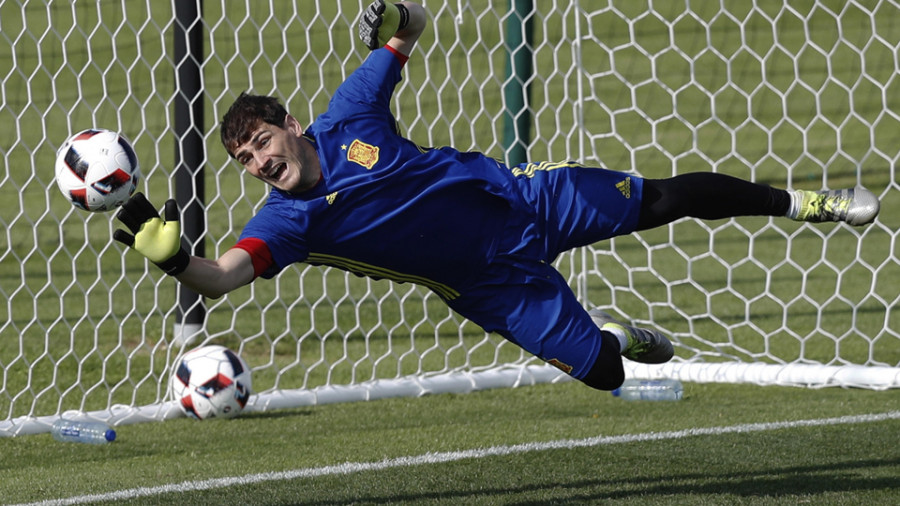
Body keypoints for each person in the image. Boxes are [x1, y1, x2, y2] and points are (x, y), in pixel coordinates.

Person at [113, 1, 880, 391]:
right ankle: (618, 336)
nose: (258, 163)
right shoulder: (286, 224)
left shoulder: (352, 112)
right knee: (607, 376)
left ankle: (803, 204)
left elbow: (410, 26)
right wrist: (173, 257)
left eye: (262, 144)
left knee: (666, 198)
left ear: (293, 124)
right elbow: (219, 277)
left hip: (525, 202)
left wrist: (391, 17)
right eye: (245, 159)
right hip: (493, 286)